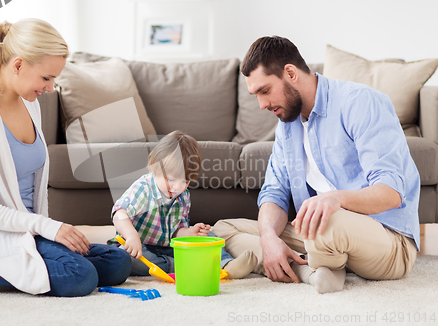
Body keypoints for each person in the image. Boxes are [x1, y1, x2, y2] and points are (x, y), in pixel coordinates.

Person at [0, 19, 131, 298]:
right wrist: (48, 227)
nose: (51, 88)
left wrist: (46, 230)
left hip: (31, 232)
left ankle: (3, 276)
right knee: (80, 276)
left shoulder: (31, 104)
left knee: (117, 262)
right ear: (17, 65)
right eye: (46, 78)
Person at [212, 36, 420, 293]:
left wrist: (335, 199)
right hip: (319, 234)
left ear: (290, 73)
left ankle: (314, 263)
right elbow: (274, 192)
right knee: (221, 229)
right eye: (256, 95)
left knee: (326, 223)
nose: (262, 104)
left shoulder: (360, 102)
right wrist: (268, 238)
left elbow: (391, 193)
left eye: (265, 91)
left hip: (386, 240)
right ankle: (312, 271)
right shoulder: (287, 126)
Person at [110, 130, 257, 279]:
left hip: (170, 248)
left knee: (208, 235)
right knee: (126, 258)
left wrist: (190, 232)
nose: (177, 187)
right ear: (154, 167)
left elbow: (176, 232)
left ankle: (226, 265)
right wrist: (131, 235)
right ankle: (185, 265)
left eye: (185, 181)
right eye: (171, 179)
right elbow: (119, 214)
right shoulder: (143, 188)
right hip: (140, 248)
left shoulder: (183, 195)